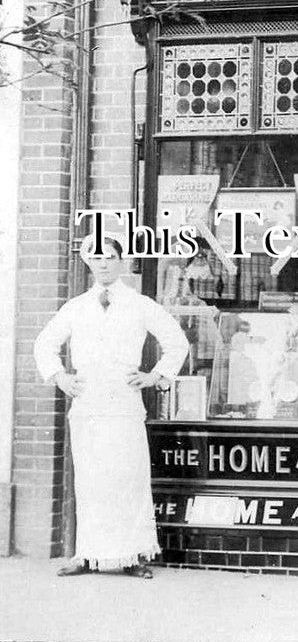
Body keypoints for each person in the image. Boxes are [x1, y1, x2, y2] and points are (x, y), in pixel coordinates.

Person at [34, 235, 188, 578]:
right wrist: (61, 377)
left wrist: (155, 376)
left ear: (121, 261)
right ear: (88, 261)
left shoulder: (139, 303)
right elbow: (45, 344)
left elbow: (176, 341)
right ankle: (88, 555)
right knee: (91, 480)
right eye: (96, 257)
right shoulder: (75, 307)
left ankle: (133, 556)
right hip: (88, 405)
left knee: (127, 479)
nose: (103, 263)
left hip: (124, 405)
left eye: (110, 257)